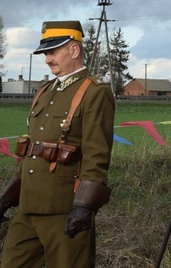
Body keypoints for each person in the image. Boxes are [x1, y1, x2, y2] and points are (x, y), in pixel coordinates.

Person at [0, 21, 115, 267]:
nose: (47, 59)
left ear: (74, 50)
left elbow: (97, 156)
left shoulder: (94, 92)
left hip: (64, 208)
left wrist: (83, 207)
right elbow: (31, 152)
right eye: (46, 53)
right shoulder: (44, 91)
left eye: (53, 52)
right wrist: (7, 198)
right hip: (28, 207)